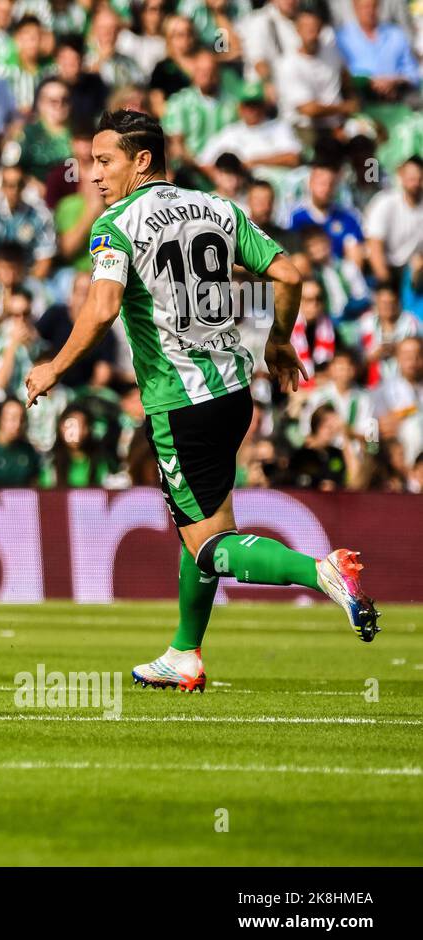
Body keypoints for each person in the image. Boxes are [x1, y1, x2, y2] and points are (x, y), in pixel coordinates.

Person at [24, 109, 380, 693]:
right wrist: (279, 341)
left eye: (104, 160)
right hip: (233, 392)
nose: (92, 174)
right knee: (206, 527)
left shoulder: (115, 225)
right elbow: (288, 275)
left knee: (210, 545)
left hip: (178, 403)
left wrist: (54, 367)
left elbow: (104, 305)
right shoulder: (218, 208)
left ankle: (323, 571)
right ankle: (184, 653)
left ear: (142, 161)